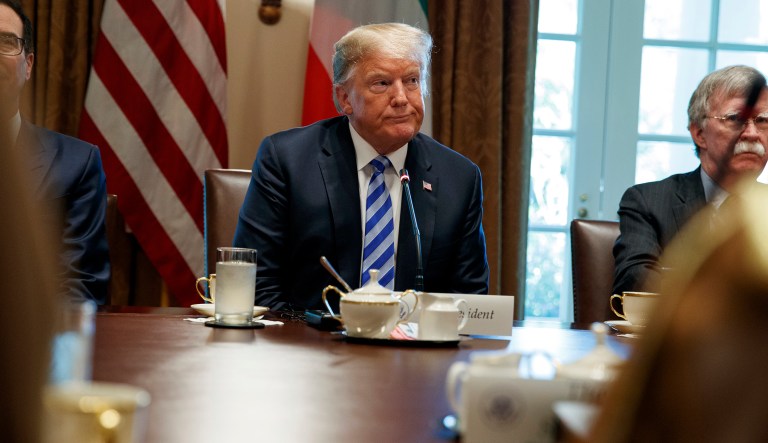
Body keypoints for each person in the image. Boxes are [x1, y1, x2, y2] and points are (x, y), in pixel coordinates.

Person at [233, 22, 489, 310]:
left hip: (415, 351)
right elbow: (255, 286)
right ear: (345, 99)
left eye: (412, 81)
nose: (401, 98)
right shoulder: (286, 160)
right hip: (311, 347)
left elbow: (469, 301)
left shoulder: (459, 177)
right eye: (382, 83)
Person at [613, 65, 768, 295]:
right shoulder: (648, 202)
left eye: (763, 120)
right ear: (699, 134)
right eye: (735, 119)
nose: (752, 134)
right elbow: (636, 281)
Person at [1, 0, 109, 304]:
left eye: (6, 41)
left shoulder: (77, 164)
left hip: (33, 346)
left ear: (29, 65)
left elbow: (80, 290)